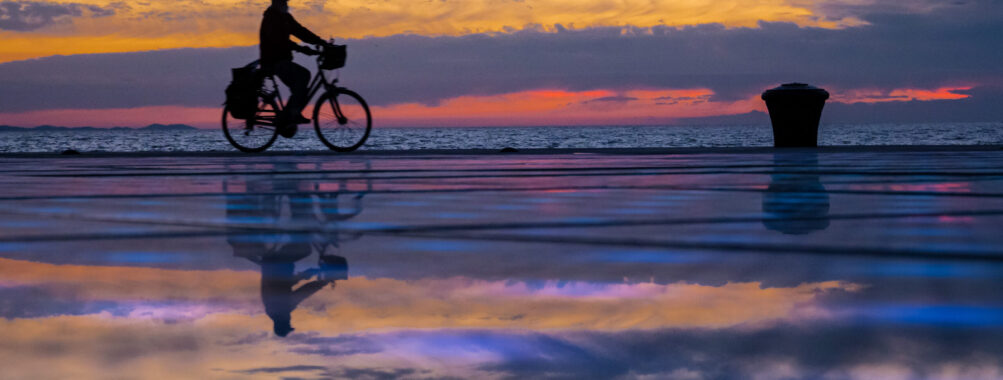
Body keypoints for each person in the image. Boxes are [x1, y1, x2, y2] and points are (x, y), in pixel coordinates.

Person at [260, 0, 332, 137]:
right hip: (273, 61)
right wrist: (302, 49)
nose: (286, 4)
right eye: (284, 1)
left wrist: (320, 42)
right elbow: (279, 42)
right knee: (303, 76)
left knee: (300, 86)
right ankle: (292, 114)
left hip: (282, 60)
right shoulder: (271, 17)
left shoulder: (285, 17)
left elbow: (300, 31)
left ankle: (289, 117)